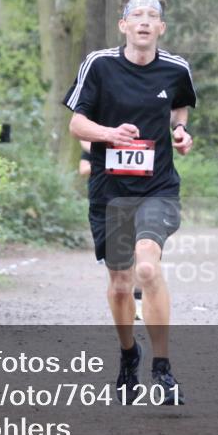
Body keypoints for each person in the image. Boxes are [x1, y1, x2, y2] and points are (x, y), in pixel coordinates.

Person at [63, 0, 195, 405]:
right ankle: (127, 356)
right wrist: (109, 134)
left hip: (157, 187)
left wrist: (179, 132)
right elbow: (77, 125)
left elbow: (179, 110)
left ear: (160, 27)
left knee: (148, 270)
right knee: (120, 284)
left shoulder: (176, 69)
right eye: (135, 15)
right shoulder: (99, 65)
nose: (143, 21)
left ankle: (162, 367)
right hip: (110, 190)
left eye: (150, 16)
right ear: (123, 25)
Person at [79, 138, 145, 322]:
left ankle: (139, 302)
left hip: (138, 197)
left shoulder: (142, 146)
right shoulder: (96, 146)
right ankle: (126, 302)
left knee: (140, 253)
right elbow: (83, 168)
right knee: (122, 262)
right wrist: (106, 162)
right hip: (107, 199)